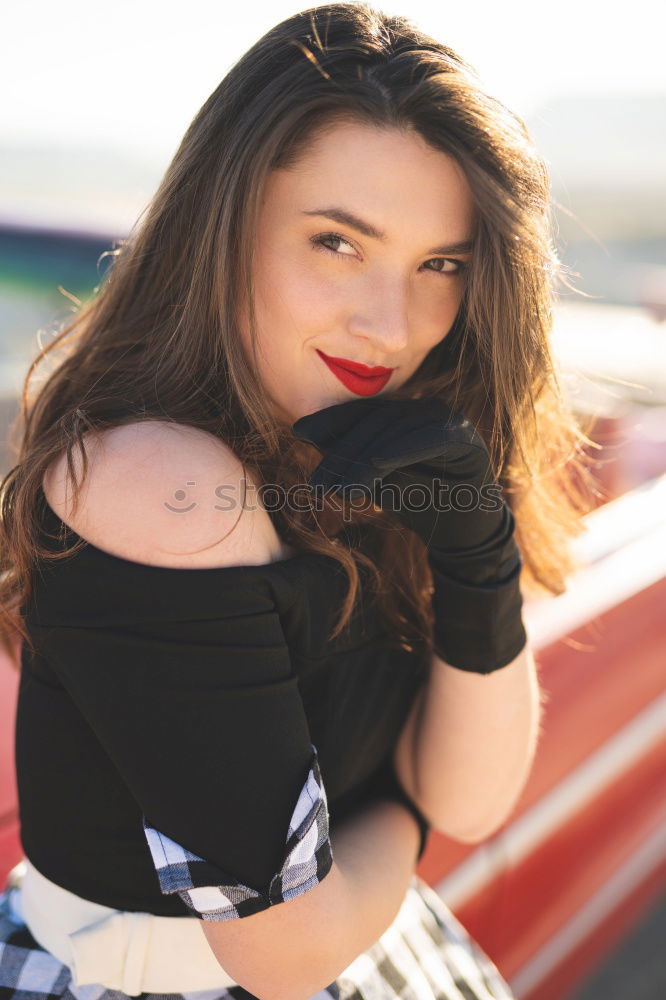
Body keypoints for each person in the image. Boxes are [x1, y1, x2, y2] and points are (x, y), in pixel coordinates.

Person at [0, 2, 597, 998]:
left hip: (380, 948)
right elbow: (284, 951)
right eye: (337, 243)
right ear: (225, 224)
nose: (391, 322)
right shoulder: (162, 482)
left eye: (439, 265)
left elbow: (474, 794)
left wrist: (477, 558)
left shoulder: (383, 448)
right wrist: (400, 811)